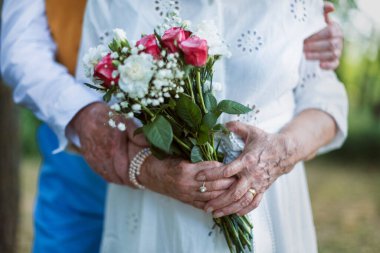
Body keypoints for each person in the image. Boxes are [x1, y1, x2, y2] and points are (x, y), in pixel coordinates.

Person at [0, 0, 344, 252]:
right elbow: (21, 49)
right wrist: (95, 126)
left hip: (273, 205)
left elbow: (322, 93)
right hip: (94, 147)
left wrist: (281, 152)